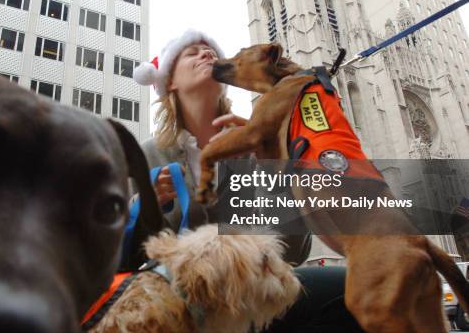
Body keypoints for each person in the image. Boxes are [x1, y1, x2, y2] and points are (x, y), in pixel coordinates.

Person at [133, 29, 365, 333]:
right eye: (193, 52)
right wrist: (142, 209)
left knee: (354, 290)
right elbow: (125, 255)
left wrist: (272, 165)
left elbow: (294, 253)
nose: (207, 55)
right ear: (169, 81)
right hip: (180, 308)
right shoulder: (147, 156)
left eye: (212, 52)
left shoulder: (254, 146)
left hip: (253, 300)